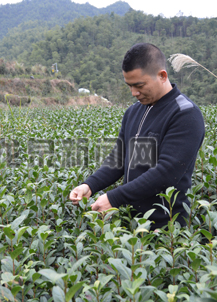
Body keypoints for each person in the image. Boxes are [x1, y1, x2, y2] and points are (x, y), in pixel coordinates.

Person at [69, 43, 205, 229]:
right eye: (129, 86)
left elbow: (166, 173)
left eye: (139, 85)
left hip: (167, 228)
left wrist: (114, 197)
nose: (134, 93)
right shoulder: (133, 112)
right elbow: (119, 160)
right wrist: (89, 185)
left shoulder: (185, 114)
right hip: (130, 222)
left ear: (162, 76)